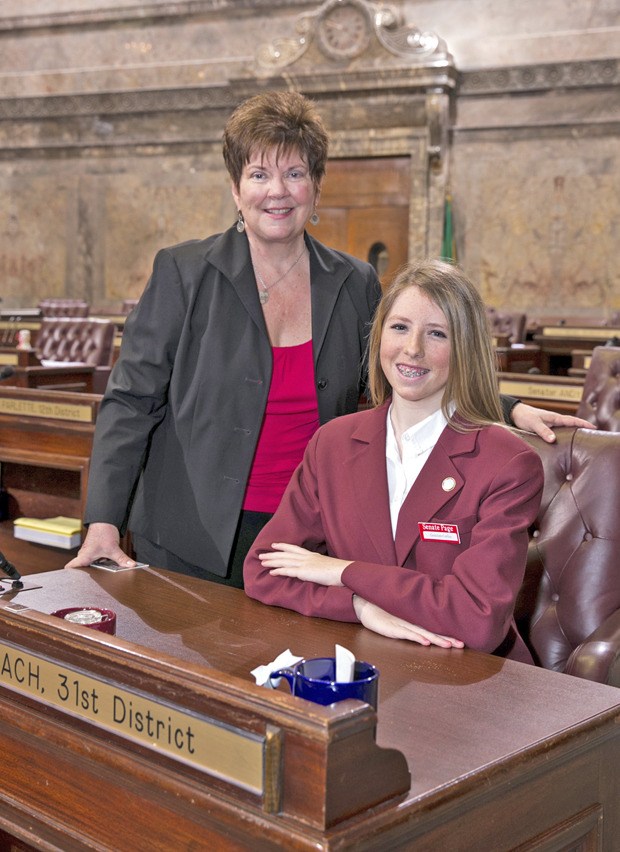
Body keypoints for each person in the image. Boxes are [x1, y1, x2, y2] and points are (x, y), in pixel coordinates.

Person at [66, 90, 591, 587]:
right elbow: (131, 401)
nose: (277, 190)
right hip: (186, 536)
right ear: (235, 188)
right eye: (259, 173)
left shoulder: (353, 280)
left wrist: (508, 407)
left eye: (295, 173)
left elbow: (396, 374)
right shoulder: (183, 272)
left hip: (311, 534)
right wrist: (105, 521)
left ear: (316, 186)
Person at [244, 259, 545, 662]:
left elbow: (477, 620)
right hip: (361, 662)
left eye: (437, 333)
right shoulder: (331, 443)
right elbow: (263, 570)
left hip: (470, 681)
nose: (412, 349)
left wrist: (342, 571)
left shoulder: (508, 463)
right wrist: (359, 606)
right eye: (399, 327)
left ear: (467, 348)